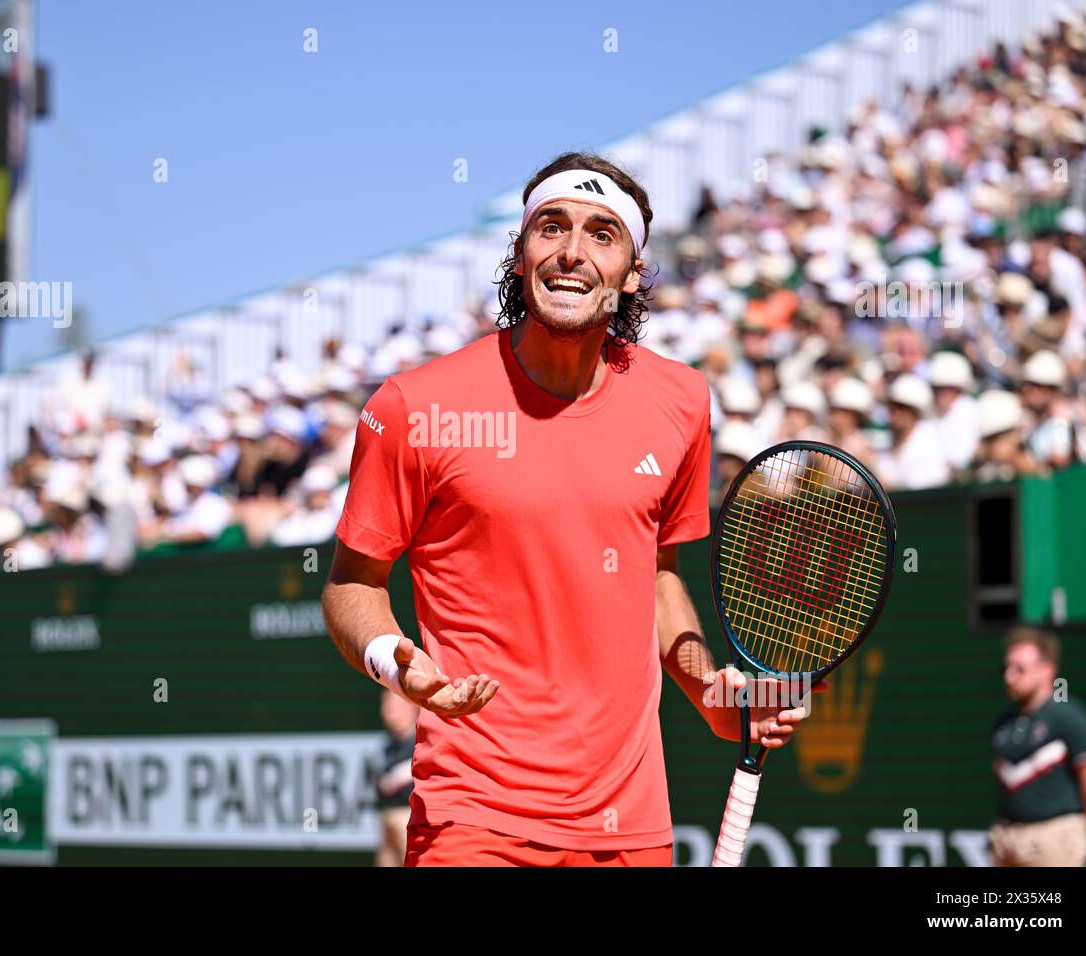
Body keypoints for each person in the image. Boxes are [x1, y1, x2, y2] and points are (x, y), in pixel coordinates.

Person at [323, 153, 819, 868]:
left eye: (601, 234)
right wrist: (396, 662)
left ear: (633, 270)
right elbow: (350, 584)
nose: (571, 253)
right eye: (550, 228)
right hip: (474, 818)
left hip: (632, 825)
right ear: (521, 255)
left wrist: (707, 689)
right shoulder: (413, 408)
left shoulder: (681, 402)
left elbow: (657, 575)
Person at [989, 628, 1086, 867]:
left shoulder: (1069, 716)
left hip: (1054, 839)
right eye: (1006, 668)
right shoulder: (1004, 723)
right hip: (1007, 838)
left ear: (1047, 670)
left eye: (1020, 669)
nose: (1009, 677)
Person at [375, 690, 418, 867]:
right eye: (385, 706)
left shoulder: (423, 736)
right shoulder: (388, 742)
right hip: (387, 815)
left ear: (411, 708)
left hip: (411, 817)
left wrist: (401, 775)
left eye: (392, 705)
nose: (386, 710)